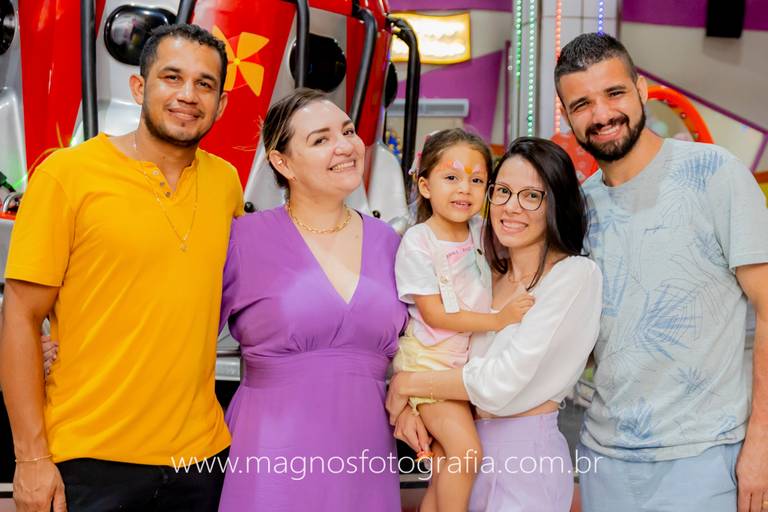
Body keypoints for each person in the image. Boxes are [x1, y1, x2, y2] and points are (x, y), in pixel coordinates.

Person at [0, 24, 242, 512]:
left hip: (201, 458)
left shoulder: (226, 183)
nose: (187, 95)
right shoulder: (67, 175)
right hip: (91, 458)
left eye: (204, 84)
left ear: (220, 104)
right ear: (138, 87)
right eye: (171, 77)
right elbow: (21, 316)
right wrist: (30, 458)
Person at [554, 32, 768, 512]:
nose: (601, 114)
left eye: (614, 93)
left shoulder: (715, 174)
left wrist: (762, 443)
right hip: (603, 459)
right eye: (582, 103)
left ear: (641, 89)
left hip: (706, 457)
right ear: (567, 115)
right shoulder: (579, 209)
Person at [216, 88, 414, 511]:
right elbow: (183, 336)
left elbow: (424, 344)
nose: (344, 146)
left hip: (366, 455)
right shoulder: (243, 240)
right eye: (321, 139)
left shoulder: (391, 243)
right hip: (271, 453)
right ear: (282, 162)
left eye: (347, 131)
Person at [387, 137, 603, 511]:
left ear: (557, 203)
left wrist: (408, 384)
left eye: (531, 196)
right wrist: (412, 407)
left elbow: (498, 384)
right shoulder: (487, 275)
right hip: (464, 451)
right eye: (502, 191)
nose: (511, 206)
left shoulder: (573, 275)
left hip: (524, 462)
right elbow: (431, 339)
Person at [392, 128, 534, 512]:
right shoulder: (419, 241)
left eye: (476, 180)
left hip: (463, 367)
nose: (464, 189)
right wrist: (500, 320)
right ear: (425, 186)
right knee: (467, 454)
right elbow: (435, 314)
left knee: (445, 464)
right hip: (430, 365)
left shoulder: (480, 232)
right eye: (451, 177)